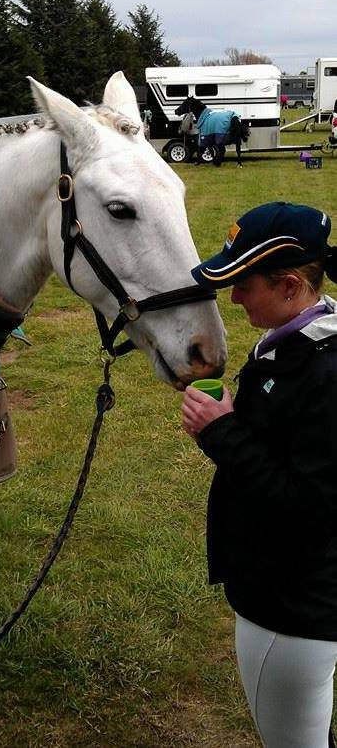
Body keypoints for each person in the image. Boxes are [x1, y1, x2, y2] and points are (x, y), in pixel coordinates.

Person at [181, 202, 337, 748]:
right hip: (292, 593)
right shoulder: (294, 343)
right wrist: (218, 431)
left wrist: (224, 433)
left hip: (291, 610)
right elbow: (278, 459)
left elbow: (313, 507)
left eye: (245, 284)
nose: (235, 297)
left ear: (291, 284)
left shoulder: (323, 370)